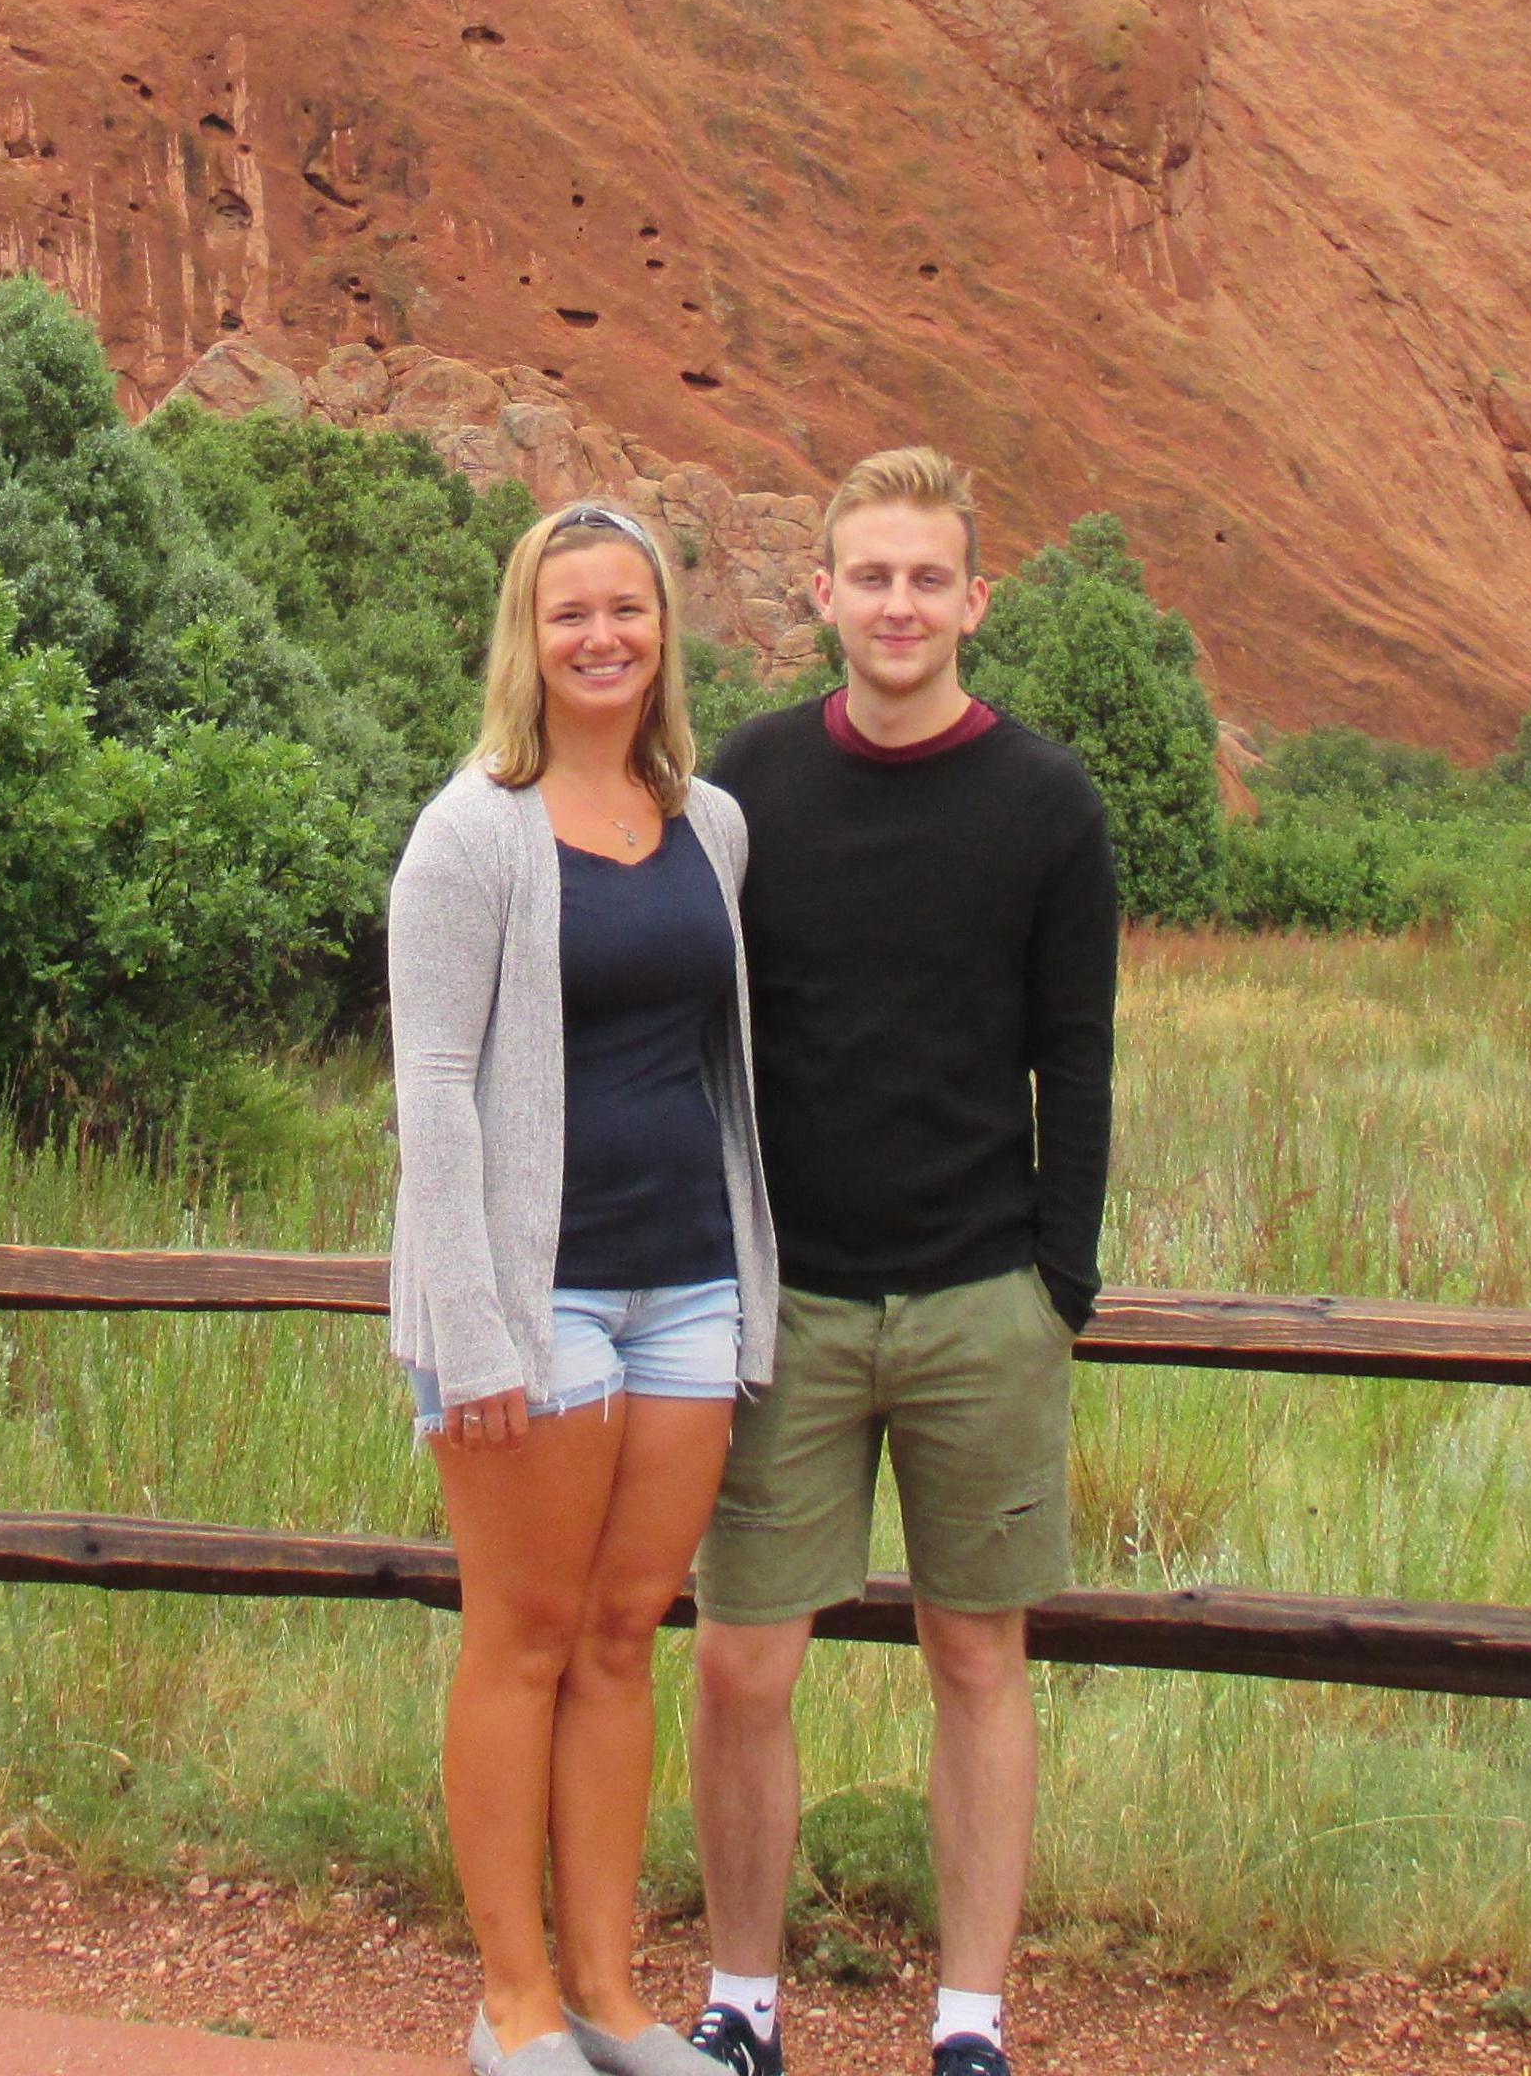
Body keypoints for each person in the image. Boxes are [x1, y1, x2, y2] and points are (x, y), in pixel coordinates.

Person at [683, 448, 1118, 2076]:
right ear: (821, 595)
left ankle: (970, 2019)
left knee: (975, 1654)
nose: (898, 605)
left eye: (928, 577)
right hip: (782, 1301)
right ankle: (742, 2004)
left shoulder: (1047, 806)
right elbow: (706, 1022)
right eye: (870, 575)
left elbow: (1074, 1057)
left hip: (977, 1302)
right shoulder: (752, 786)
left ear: (974, 602)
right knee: (741, 1659)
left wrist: (1051, 1287)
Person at [388, 498, 781, 2076]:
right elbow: (430, 1083)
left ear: (663, 630)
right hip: (529, 1292)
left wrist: (751, 1277)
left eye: (628, 610)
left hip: (686, 1280)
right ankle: (514, 2005)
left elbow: (717, 1055)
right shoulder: (473, 828)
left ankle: (614, 2001)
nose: (603, 637)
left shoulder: (714, 826)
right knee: (525, 1636)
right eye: (571, 614)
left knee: (628, 1631)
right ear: (526, 639)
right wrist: (468, 1325)